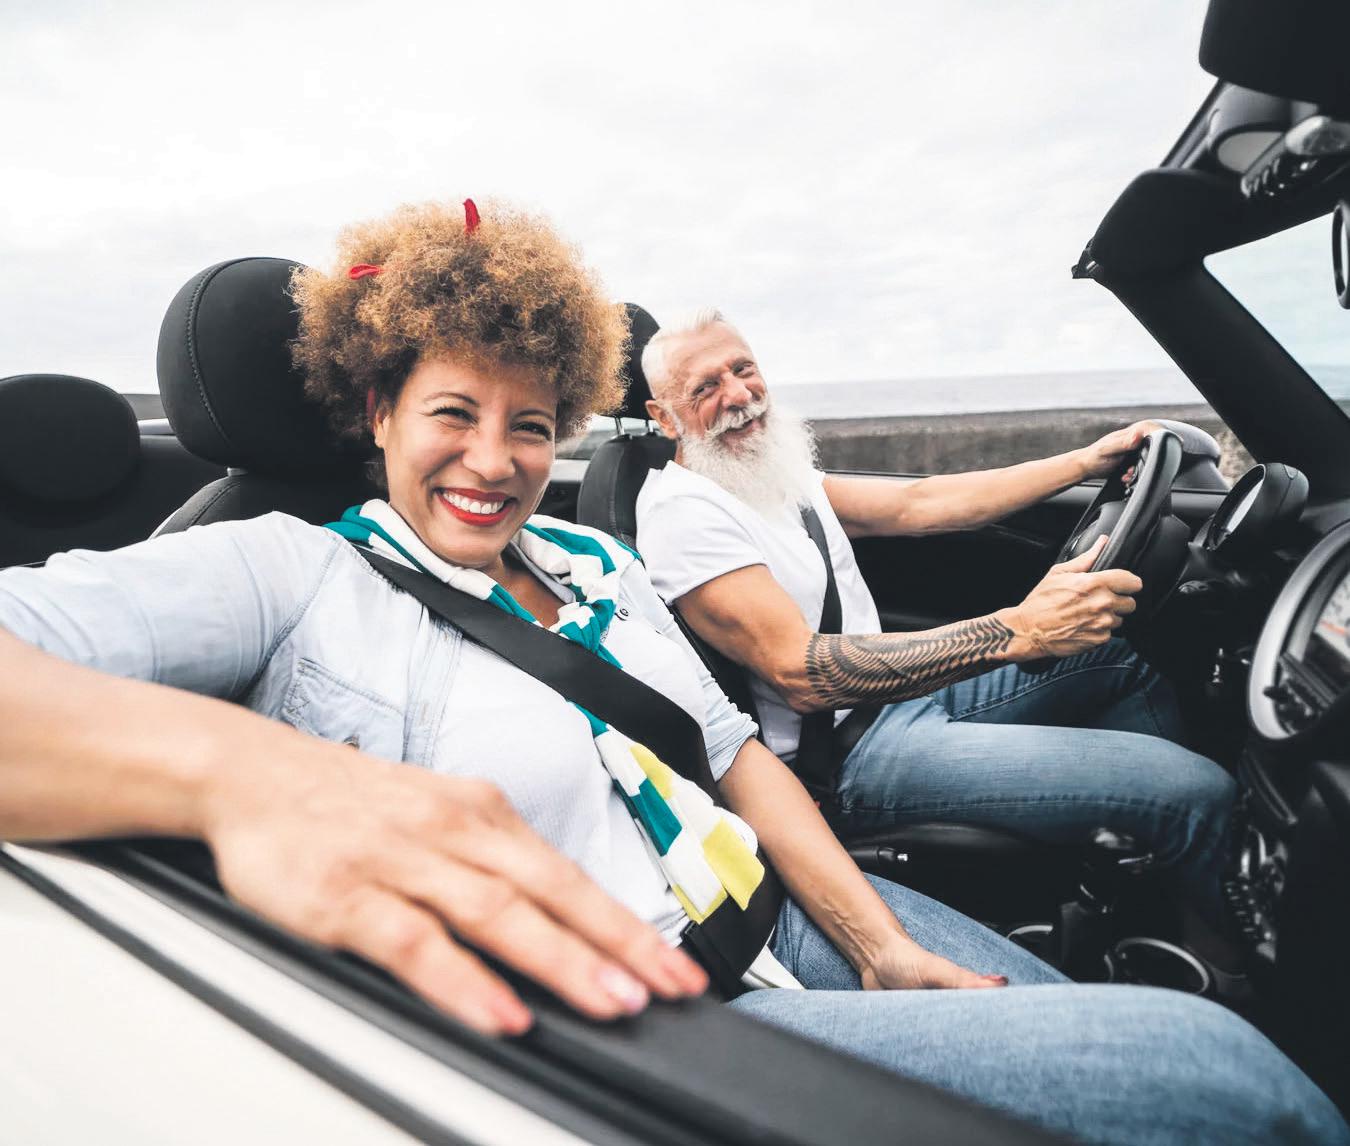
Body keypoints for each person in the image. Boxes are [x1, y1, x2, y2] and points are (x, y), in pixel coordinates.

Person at [0, 201, 1341, 1146]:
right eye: (453, 413)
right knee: (1218, 1081)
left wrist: (876, 942)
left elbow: (733, 752)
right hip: (646, 1015)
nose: (494, 461)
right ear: (378, 410)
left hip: (787, 910)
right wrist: (247, 778)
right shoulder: (285, 570)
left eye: (532, 424)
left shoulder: (592, 556)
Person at [634, 308, 1237, 935]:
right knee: (1196, 792)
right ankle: (1225, 957)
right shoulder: (684, 514)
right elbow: (802, 674)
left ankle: (1143, 874)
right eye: (706, 388)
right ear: (663, 417)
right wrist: (1019, 630)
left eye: (743, 369)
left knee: (1119, 650)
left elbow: (917, 503)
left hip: (899, 699)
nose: (738, 394)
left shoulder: (763, 474)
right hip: (847, 754)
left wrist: (1086, 461)